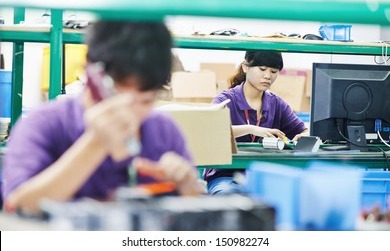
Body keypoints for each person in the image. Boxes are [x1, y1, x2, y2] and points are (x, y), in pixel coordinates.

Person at [2, 21, 202, 215]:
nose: (130, 113)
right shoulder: (44, 124)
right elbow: (18, 206)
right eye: (118, 96)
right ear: (90, 73)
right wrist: (95, 143)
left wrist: (186, 188)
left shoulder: (164, 131)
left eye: (145, 101)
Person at [204, 50, 308, 195]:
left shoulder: (277, 104)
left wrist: (304, 136)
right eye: (262, 69)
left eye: (273, 71)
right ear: (245, 67)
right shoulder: (224, 100)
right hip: (226, 177)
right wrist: (250, 129)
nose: (267, 76)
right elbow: (209, 130)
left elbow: (303, 130)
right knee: (230, 200)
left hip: (263, 176)